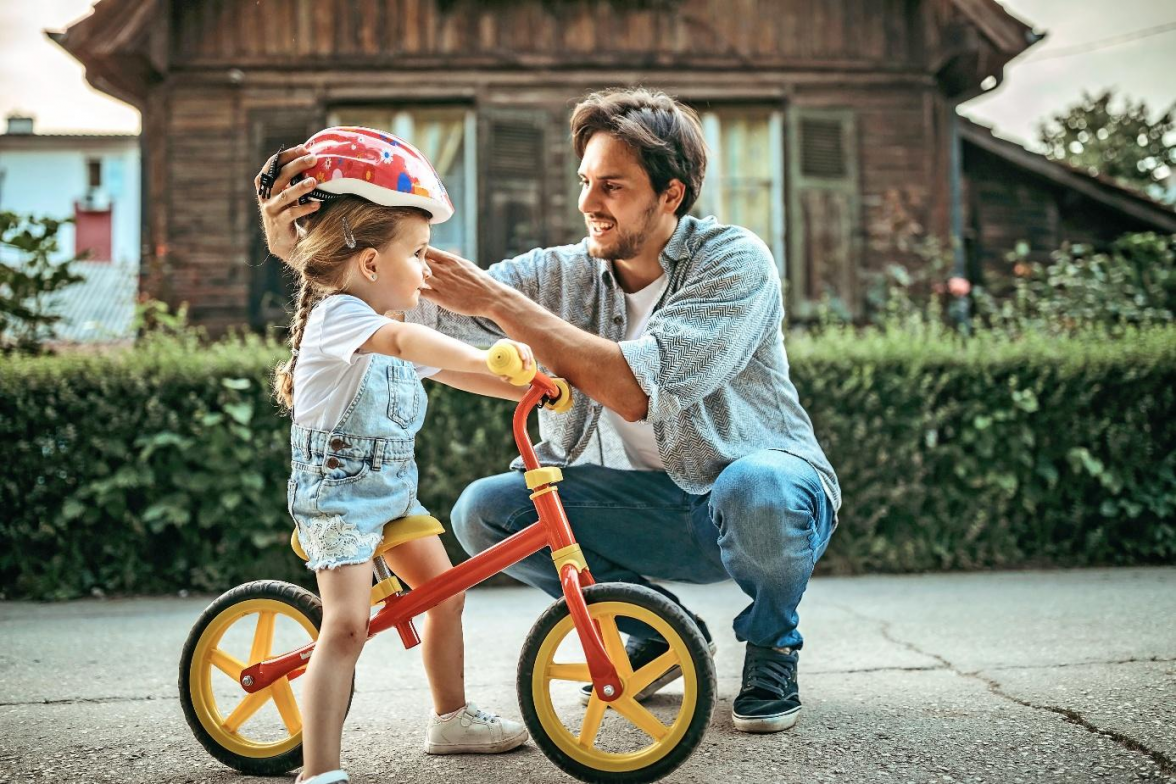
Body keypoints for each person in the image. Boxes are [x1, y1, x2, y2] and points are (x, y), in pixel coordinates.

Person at [258, 89, 840, 736]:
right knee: (487, 511)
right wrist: (312, 257)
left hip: (744, 502)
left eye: (612, 187)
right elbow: (392, 304)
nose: (589, 203)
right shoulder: (558, 274)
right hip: (641, 505)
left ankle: (772, 645)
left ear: (670, 195)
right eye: (586, 182)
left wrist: (503, 305)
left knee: (759, 486)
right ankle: (650, 625)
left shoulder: (733, 263)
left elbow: (634, 387)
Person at [265, 127, 530, 784]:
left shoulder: (391, 325)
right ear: (372, 265)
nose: (428, 266)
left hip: (391, 499)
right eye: (417, 252)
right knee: (348, 625)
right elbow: (415, 349)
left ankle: (451, 718)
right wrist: (483, 351)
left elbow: (454, 374)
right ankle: (319, 769)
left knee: (444, 595)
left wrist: (530, 384)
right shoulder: (342, 318)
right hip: (336, 504)